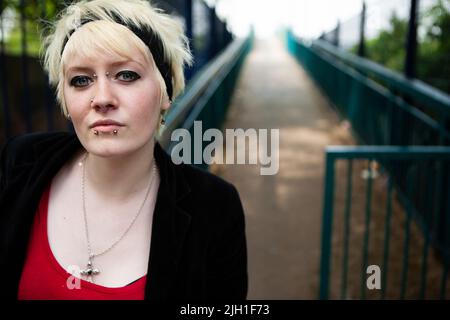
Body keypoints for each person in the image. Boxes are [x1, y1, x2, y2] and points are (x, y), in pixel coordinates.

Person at [0, 0, 247, 301]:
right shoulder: (20, 163)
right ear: (65, 99)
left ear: (165, 92)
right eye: (81, 80)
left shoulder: (214, 207)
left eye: (126, 75)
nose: (102, 98)